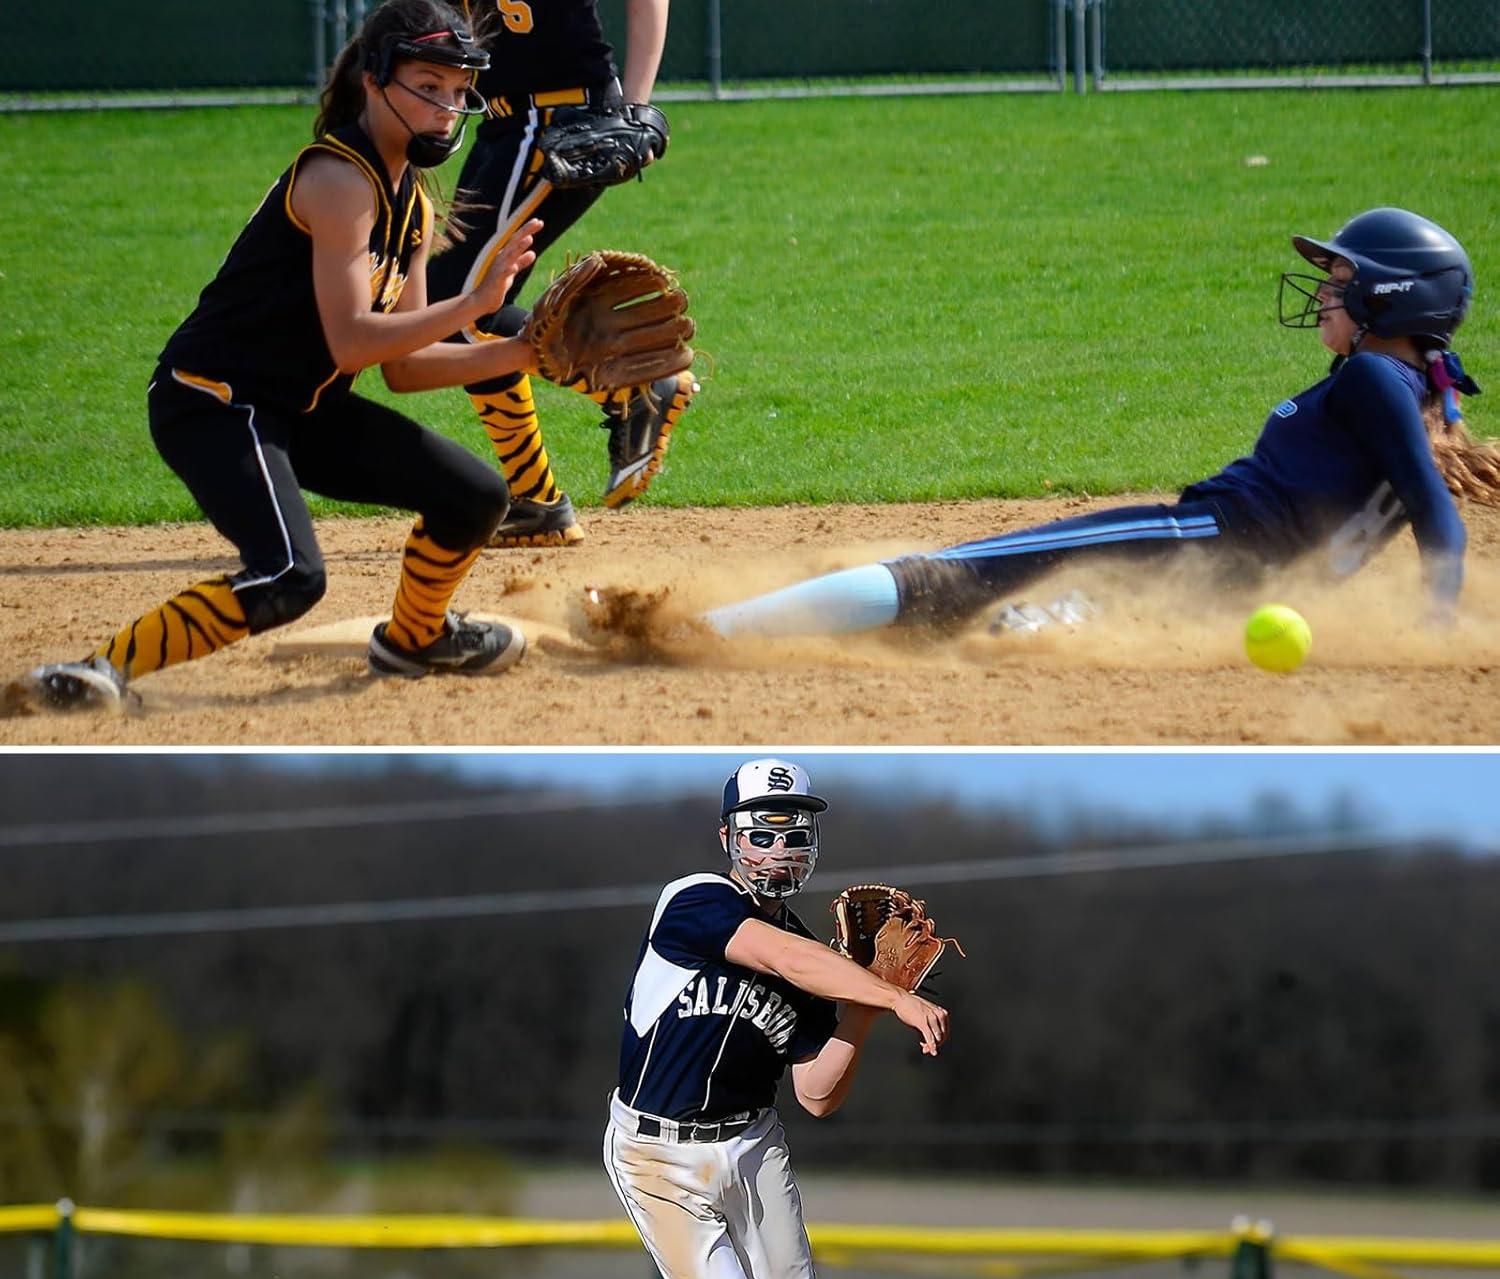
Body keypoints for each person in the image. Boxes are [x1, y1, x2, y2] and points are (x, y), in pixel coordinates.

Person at [25, 0, 550, 711]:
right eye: (429, 84)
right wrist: (472, 308)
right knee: (289, 577)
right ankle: (95, 671)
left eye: (459, 92)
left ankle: (415, 638)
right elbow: (353, 341)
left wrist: (525, 352)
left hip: (302, 409)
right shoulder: (338, 181)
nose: (447, 108)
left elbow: (404, 367)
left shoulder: (415, 203)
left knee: (477, 497)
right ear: (375, 79)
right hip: (214, 399)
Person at [702, 207, 1497, 642]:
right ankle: (1038, 625)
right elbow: (1424, 501)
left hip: (1210, 534)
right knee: (1005, 605)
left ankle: (716, 631)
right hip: (1233, 587)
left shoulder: (1372, 377)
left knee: (955, 569)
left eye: (1343, 278)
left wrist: (1433, 626)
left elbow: (1439, 518)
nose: (1325, 291)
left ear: (1393, 297)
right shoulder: (1431, 397)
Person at [602, 758, 950, 1279]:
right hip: (655, 1153)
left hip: (752, 1143)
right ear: (730, 835)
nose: (785, 840)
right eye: (767, 826)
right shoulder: (694, 901)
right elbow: (775, 953)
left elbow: (817, 1095)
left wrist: (866, 1005)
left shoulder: (818, 968)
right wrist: (886, 997)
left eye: (798, 826)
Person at [432, 0, 696, 546]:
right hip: (503, 127)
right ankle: (536, 499)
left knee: (459, 310)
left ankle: (633, 383)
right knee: (456, 308)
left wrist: (639, 105)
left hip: (558, 121)